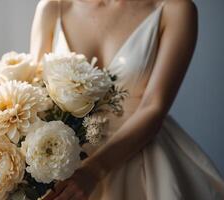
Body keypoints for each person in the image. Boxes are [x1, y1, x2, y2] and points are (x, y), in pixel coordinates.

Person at [30, 0, 224, 199]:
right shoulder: (53, 8)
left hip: (139, 153)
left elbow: (154, 105)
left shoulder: (175, 9)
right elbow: (34, 95)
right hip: (61, 158)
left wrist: (93, 170)